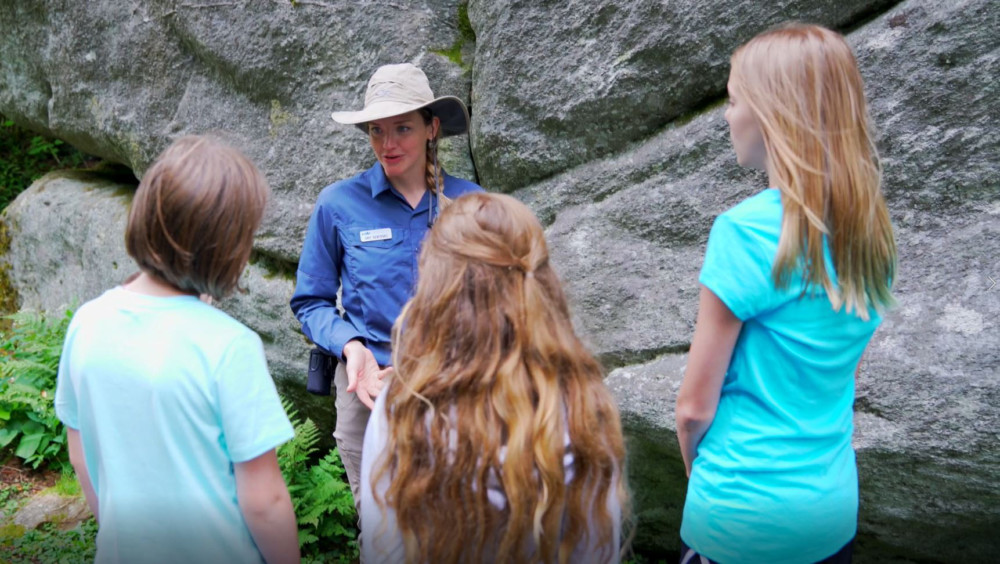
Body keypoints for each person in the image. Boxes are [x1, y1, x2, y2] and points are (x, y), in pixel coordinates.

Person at [675, 23, 897, 563]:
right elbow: (841, 378)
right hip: (830, 514)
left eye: (733, 101)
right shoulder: (872, 232)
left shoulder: (746, 231)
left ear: (772, 112)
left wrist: (703, 480)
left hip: (740, 520)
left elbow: (693, 410)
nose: (726, 117)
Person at [55, 136, 300, 564]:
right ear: (225, 247)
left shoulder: (87, 323)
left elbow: (81, 457)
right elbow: (265, 501)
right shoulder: (229, 347)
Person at [359, 192, 629, 563]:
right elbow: (600, 549)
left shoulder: (402, 405)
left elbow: (383, 550)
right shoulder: (583, 404)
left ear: (435, 287)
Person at [289, 63, 482, 508]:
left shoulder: (472, 204)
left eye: (402, 128)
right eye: (376, 131)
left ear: (432, 128)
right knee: (381, 534)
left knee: (457, 531)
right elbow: (311, 301)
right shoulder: (338, 204)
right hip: (367, 392)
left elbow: (497, 308)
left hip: (455, 392)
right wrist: (350, 347)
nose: (388, 144)